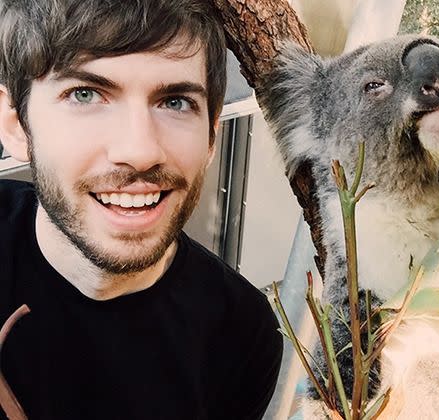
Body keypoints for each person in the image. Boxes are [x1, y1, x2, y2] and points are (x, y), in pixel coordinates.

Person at [0, 1, 283, 419]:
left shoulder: (241, 337)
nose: (140, 151)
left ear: (210, 138)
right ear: (15, 126)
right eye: (86, 94)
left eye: (175, 102)